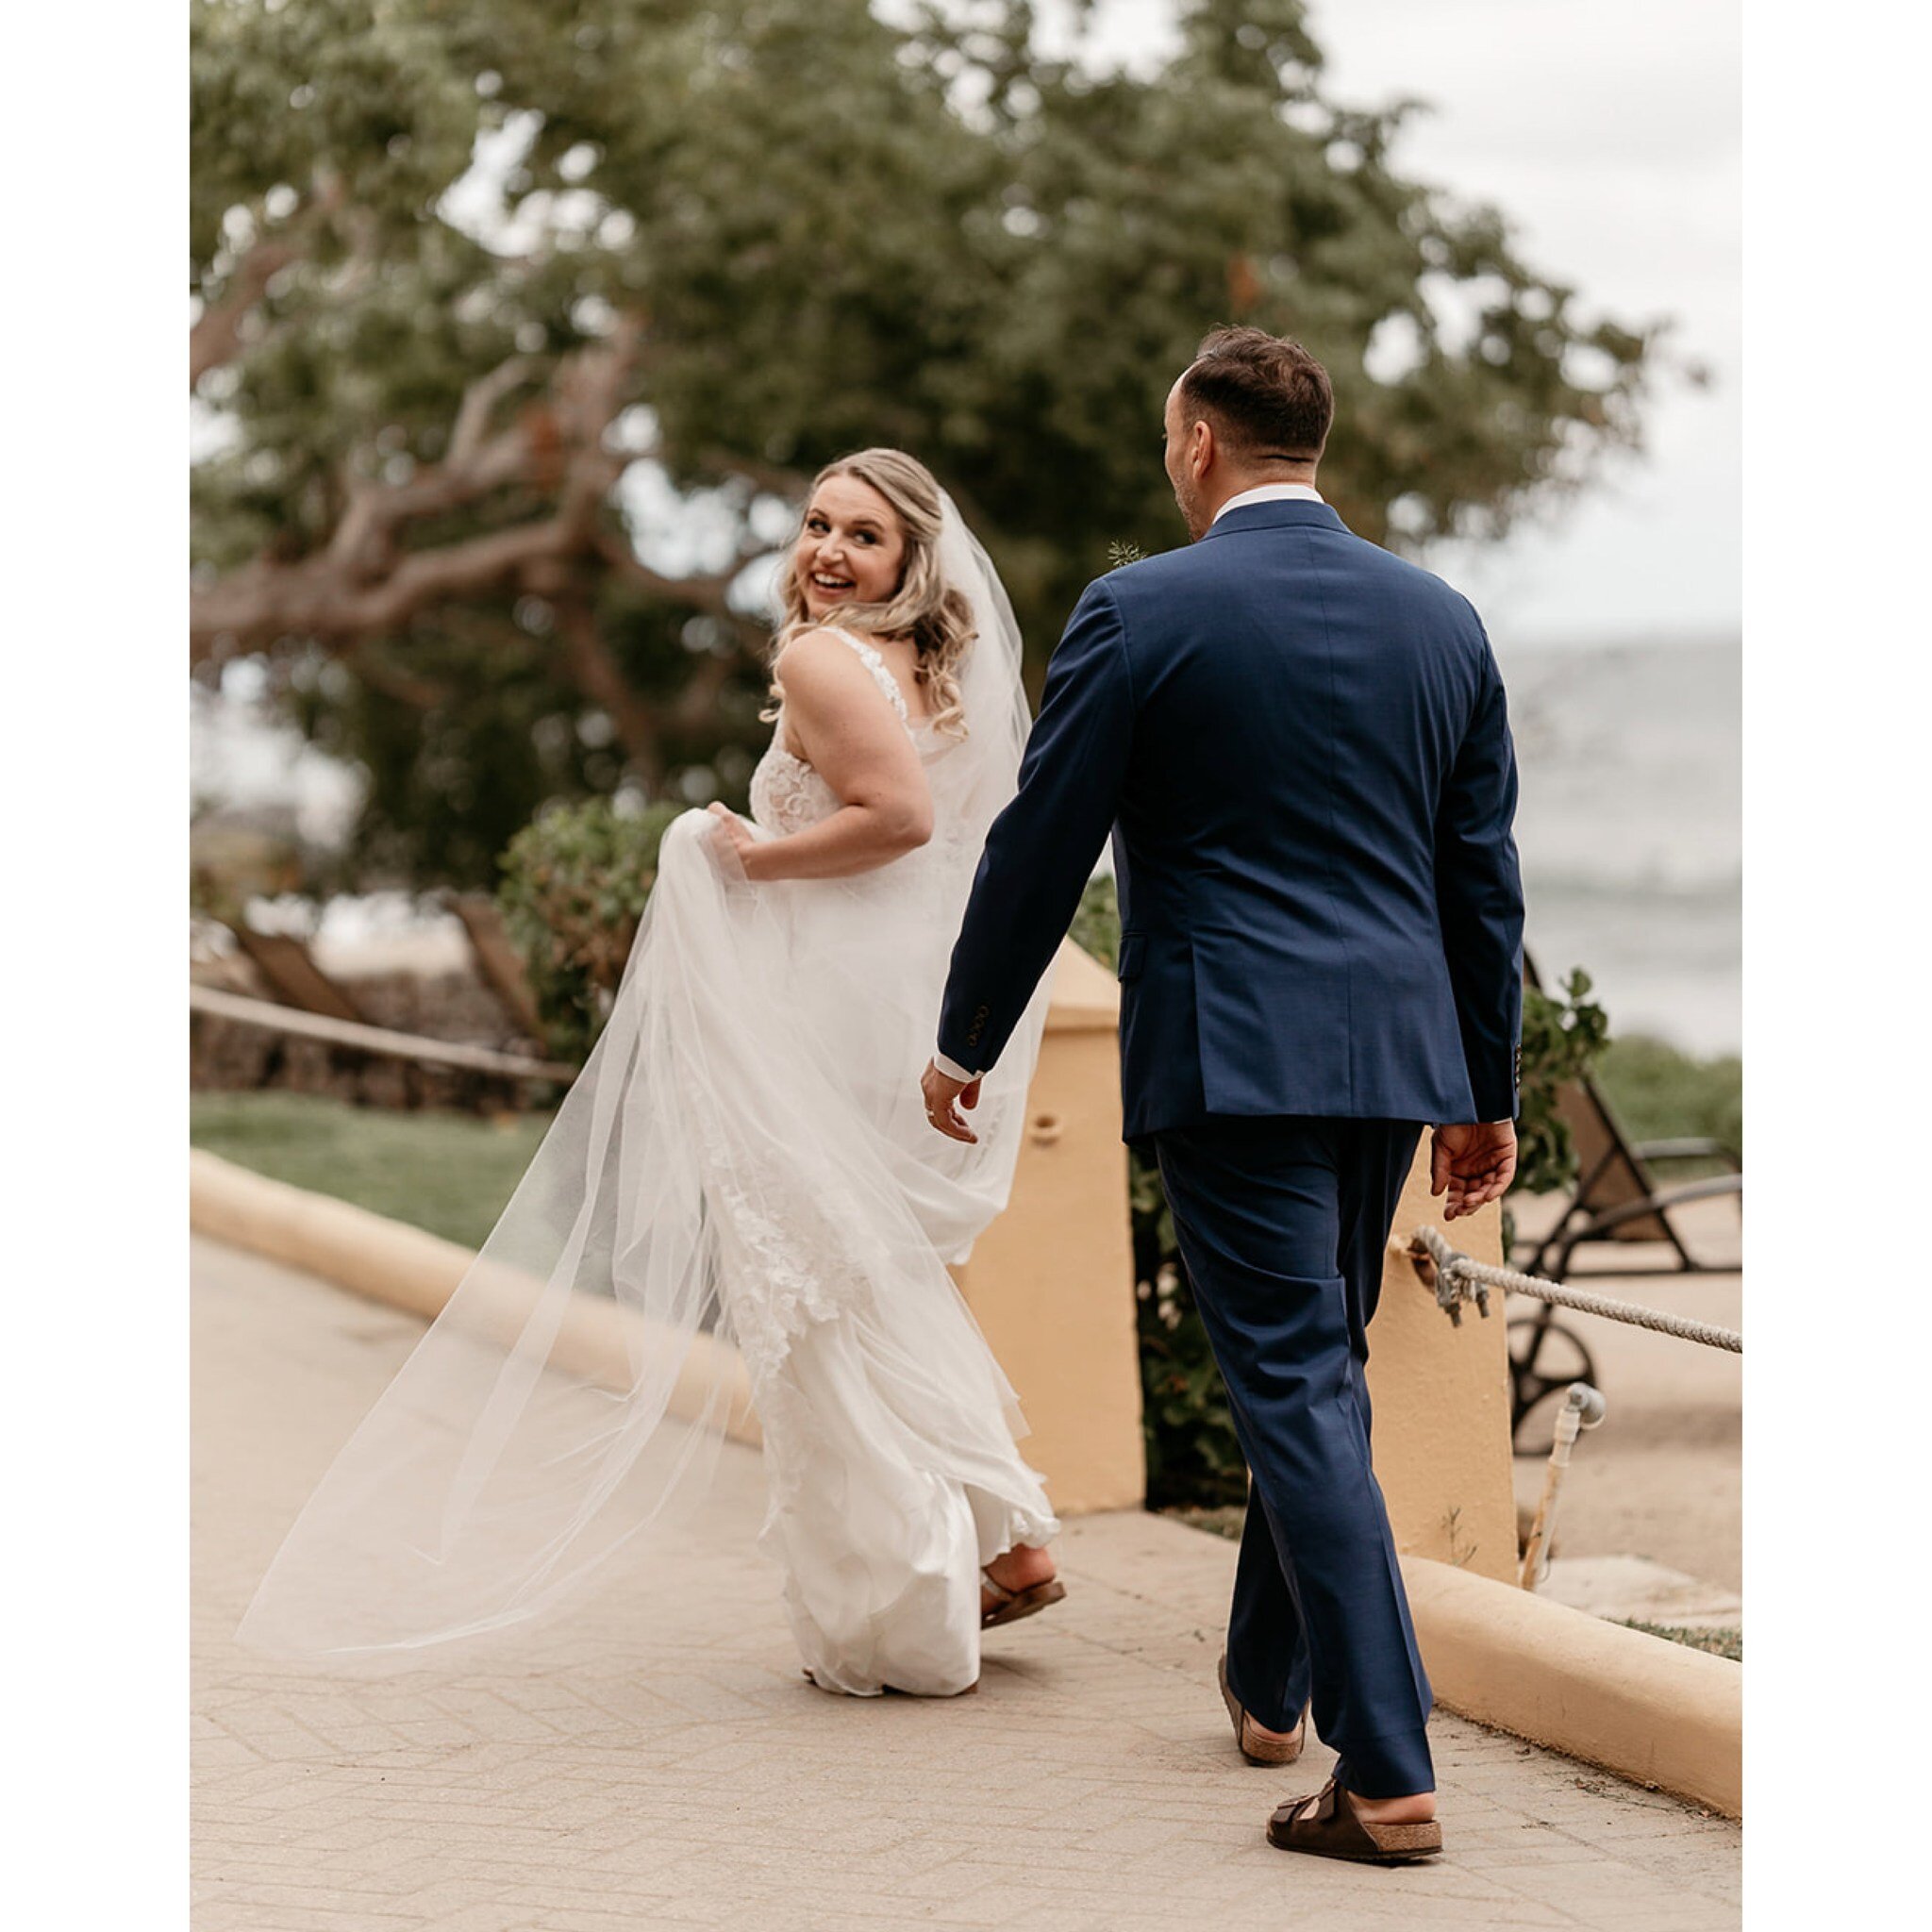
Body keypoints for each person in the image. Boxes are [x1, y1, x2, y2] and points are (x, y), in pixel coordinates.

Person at [239, 448, 1063, 1700]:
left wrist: (737, 855)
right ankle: (1007, 1539)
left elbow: (893, 820)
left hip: (814, 1013)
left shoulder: (817, 662)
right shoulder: (920, 671)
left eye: (866, 538)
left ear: (912, 564)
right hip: (881, 1008)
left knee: (820, 1285)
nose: (830, 551)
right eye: (817, 524)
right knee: (861, 1266)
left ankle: (919, 1596)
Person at [923, 327, 1524, 1860]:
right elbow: (1480, 881)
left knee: (1300, 1382)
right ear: (1309, 445)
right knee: (1316, 1365)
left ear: (1199, 443)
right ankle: (1268, 1683)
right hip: (1393, 1060)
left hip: (1229, 1056)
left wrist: (966, 1036)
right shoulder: (1441, 620)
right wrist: (1486, 1084)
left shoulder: (1139, 611)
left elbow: (1039, 843)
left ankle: (1385, 1768)